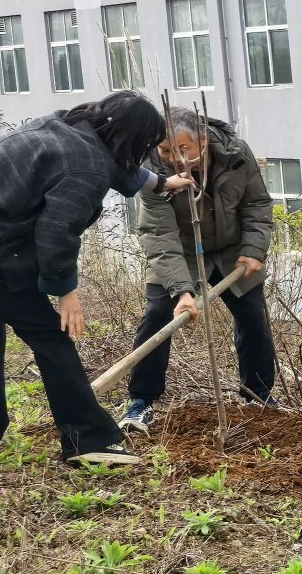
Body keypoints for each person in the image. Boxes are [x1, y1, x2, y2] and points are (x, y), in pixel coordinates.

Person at [0, 93, 192, 466]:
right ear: (132, 138)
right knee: (49, 334)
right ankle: (89, 440)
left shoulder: (69, 125)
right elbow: (56, 231)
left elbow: (111, 164)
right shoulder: (86, 167)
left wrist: (160, 183)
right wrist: (66, 291)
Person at [118, 110, 276, 432]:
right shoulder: (151, 170)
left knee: (252, 315)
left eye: (182, 149)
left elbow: (256, 204)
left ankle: (257, 395)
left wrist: (253, 250)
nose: (173, 158)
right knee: (158, 314)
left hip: (232, 251)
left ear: (202, 141)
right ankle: (141, 402)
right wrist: (182, 291)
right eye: (165, 150)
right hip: (180, 252)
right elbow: (159, 234)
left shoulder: (235, 154)